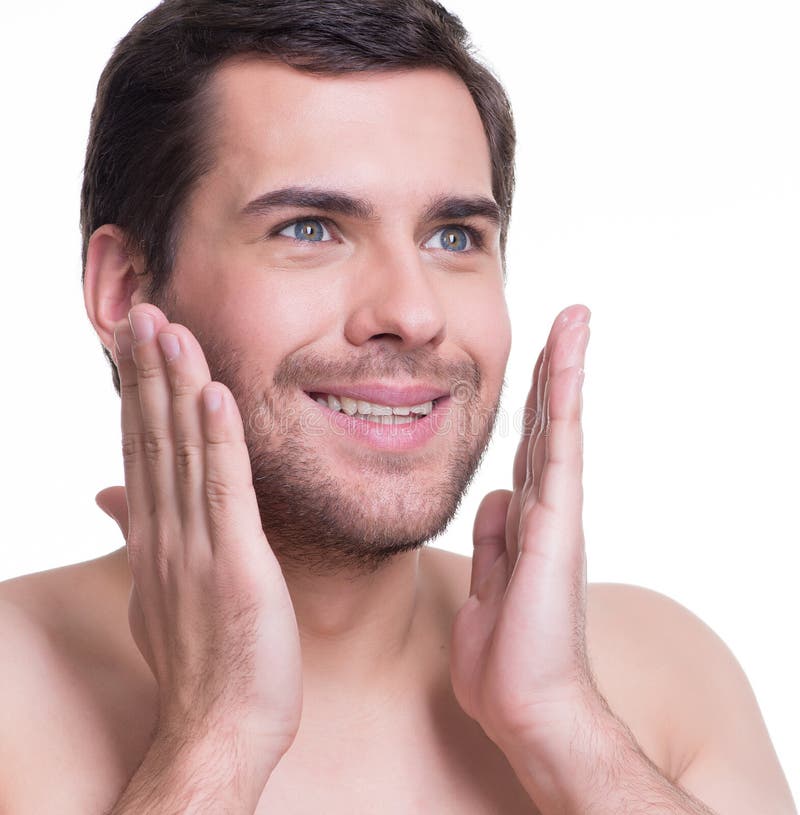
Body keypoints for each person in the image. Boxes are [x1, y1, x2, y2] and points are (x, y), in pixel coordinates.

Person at [0, 1, 795, 813]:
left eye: (452, 236)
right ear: (126, 289)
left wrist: (569, 731)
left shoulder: (660, 681)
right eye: (309, 227)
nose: (413, 313)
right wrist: (217, 739)